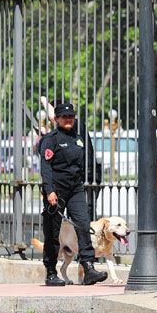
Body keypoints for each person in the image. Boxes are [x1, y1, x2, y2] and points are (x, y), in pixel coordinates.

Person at [39, 102, 108, 287]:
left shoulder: (78, 138)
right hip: (56, 190)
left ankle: (88, 267)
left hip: (75, 188)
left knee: (83, 224)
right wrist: (49, 190)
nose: (69, 120)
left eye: (71, 117)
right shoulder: (51, 139)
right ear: (56, 119)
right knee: (53, 232)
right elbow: (45, 168)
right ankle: (51, 272)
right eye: (64, 117)